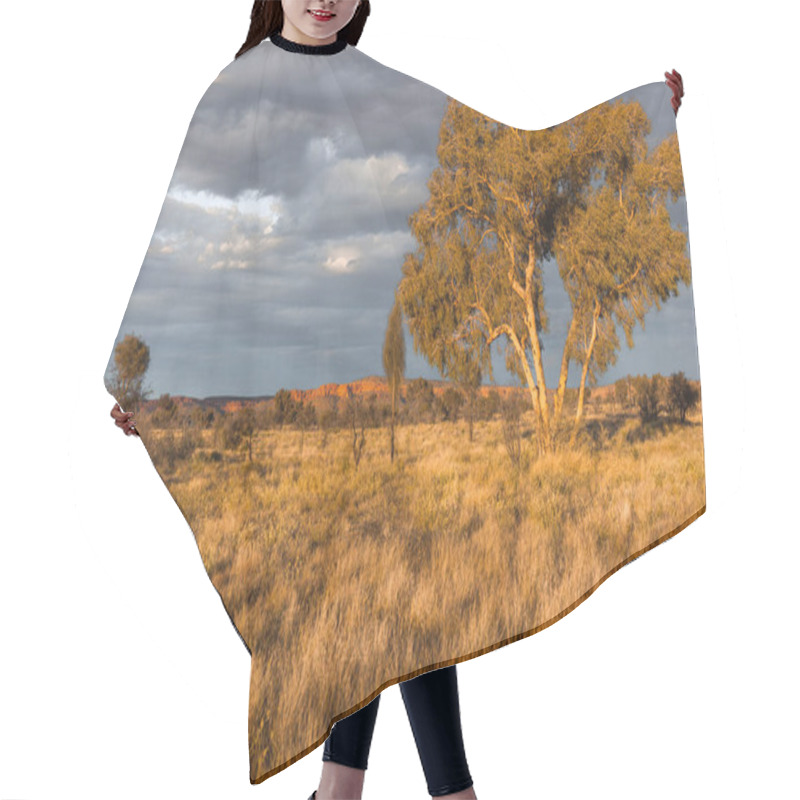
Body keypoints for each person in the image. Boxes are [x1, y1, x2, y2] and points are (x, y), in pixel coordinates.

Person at [109, 2, 685, 798]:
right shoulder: (236, 91)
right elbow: (189, 260)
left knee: (401, 587)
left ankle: (351, 790)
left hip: (393, 408)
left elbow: (507, 163)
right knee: (369, 594)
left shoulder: (380, 89)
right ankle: (427, 792)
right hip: (293, 406)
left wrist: (638, 129)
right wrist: (150, 387)